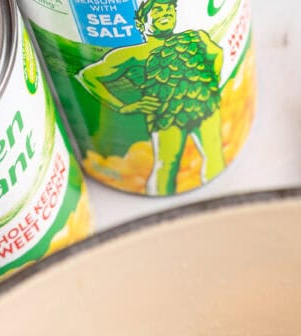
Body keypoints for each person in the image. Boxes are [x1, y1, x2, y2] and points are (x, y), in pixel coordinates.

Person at [80, 0, 225, 195]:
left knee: (214, 150)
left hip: (201, 102)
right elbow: (89, 76)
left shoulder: (194, 37)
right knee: (166, 164)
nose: (165, 13)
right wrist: (125, 107)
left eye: (169, 9)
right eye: (157, 10)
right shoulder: (135, 53)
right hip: (165, 115)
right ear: (140, 24)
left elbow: (216, 53)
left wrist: (209, 82)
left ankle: (214, 199)